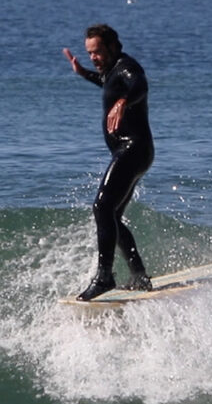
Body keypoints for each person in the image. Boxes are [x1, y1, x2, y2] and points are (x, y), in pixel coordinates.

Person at [63, 24, 155, 301]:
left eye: (99, 52)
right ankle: (138, 275)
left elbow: (139, 83)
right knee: (112, 215)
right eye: (90, 53)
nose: (94, 57)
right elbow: (107, 82)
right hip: (132, 151)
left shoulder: (128, 67)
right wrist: (84, 74)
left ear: (114, 46)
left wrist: (124, 101)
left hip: (133, 149)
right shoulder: (112, 73)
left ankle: (104, 277)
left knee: (102, 207)